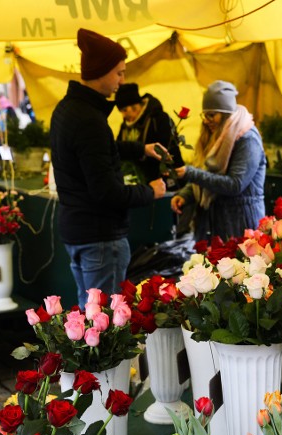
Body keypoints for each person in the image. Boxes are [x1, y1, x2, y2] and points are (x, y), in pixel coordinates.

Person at [50, 29, 166, 307]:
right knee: (105, 325)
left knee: (89, 320)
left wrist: (141, 148)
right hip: (100, 237)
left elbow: (99, 151)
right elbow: (107, 192)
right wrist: (149, 192)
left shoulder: (67, 109)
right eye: (119, 73)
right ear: (101, 72)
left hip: (78, 232)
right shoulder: (90, 119)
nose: (122, 81)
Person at [170, 80, 266, 241]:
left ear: (225, 113)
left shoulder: (247, 139)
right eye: (204, 115)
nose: (206, 120)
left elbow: (235, 184)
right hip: (216, 224)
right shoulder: (214, 136)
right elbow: (206, 172)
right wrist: (186, 194)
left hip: (242, 224)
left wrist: (191, 173)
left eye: (211, 115)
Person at [115, 82, 185, 187]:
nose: (124, 115)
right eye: (122, 111)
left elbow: (170, 149)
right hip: (141, 181)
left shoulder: (159, 119)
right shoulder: (125, 126)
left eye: (125, 110)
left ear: (135, 106)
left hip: (164, 178)